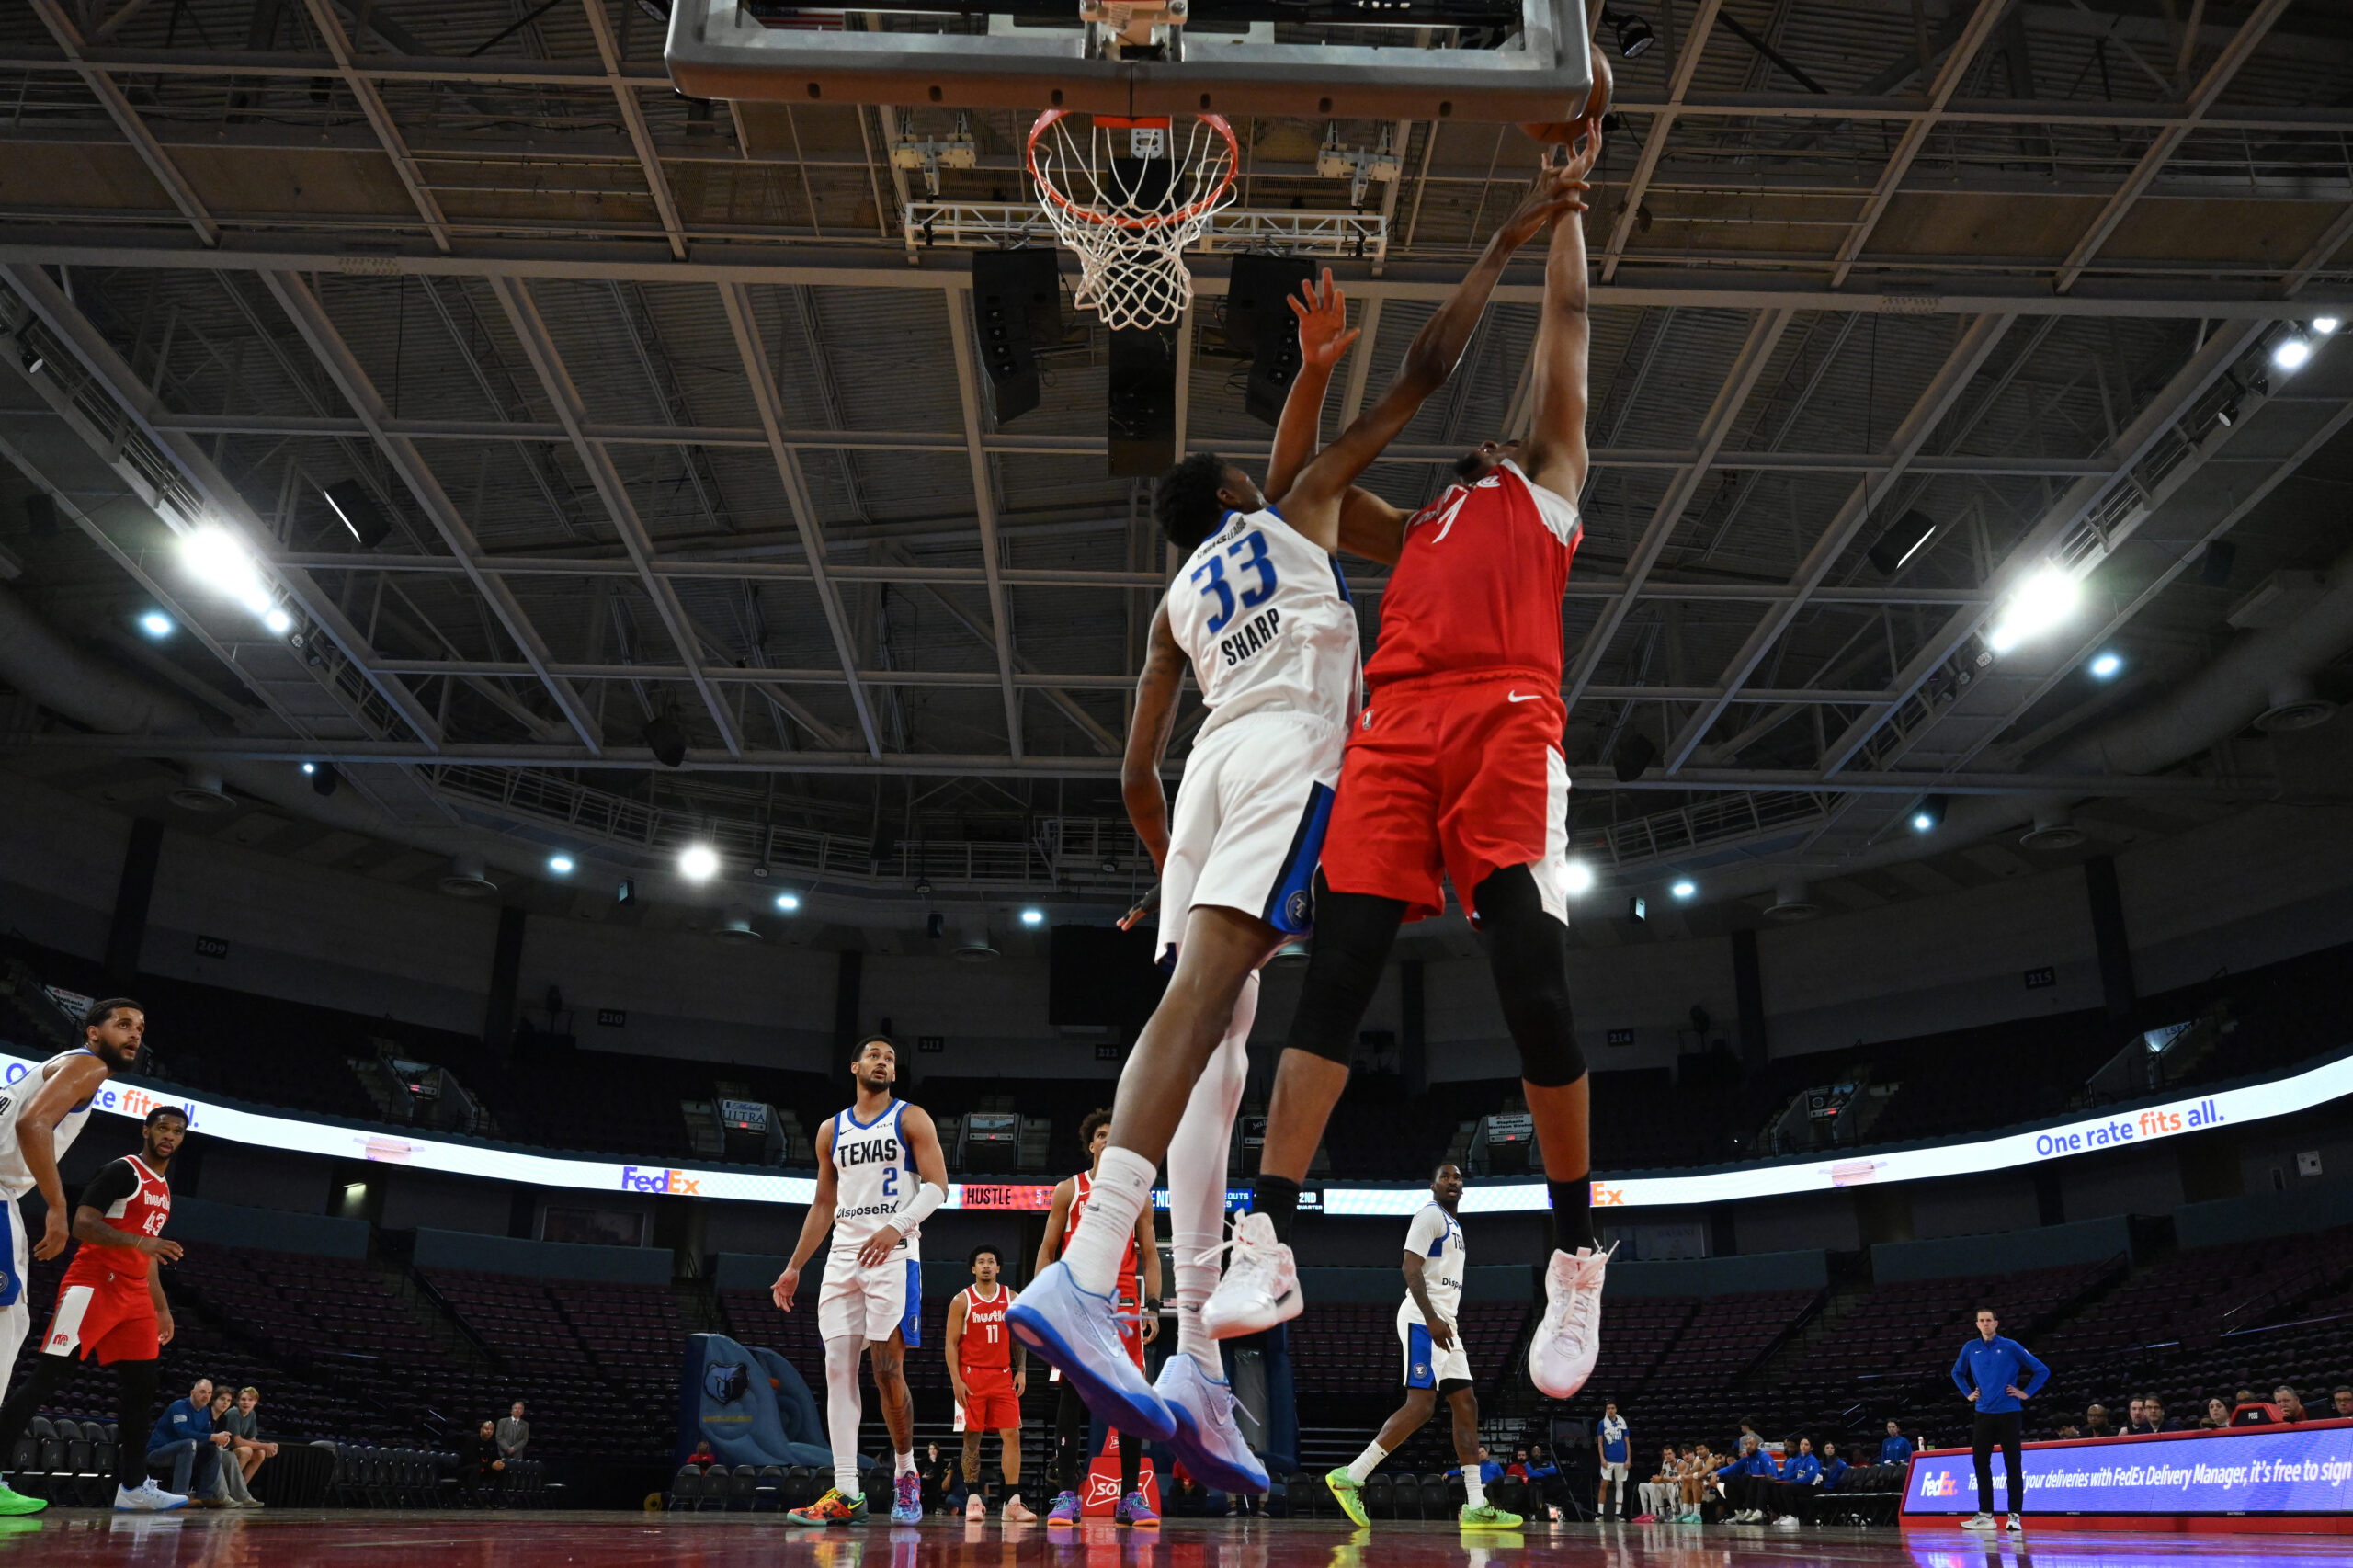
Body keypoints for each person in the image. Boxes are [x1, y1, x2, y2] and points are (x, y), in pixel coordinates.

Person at [1018, 151, 1605, 1477]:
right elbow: (1397, 402)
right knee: (1254, 1004)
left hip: (1254, 765)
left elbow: (1132, 772)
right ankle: (1169, 1285)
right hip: (1320, 748)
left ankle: (1194, 1342)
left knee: (1222, 1024)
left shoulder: (1188, 593)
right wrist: (1361, 352)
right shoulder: (1329, 520)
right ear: (1238, 495)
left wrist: (1171, 868)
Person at [1210, 119, 1615, 1410]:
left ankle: (1572, 1250)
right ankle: (1267, 1233)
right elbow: (1300, 487)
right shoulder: (1423, 522)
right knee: (1335, 970)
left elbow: (1569, 329)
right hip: (1394, 729)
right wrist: (1314, 376)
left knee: (1530, 971)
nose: (1483, 440)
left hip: (1506, 717)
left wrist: (1563, 213)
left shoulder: (1547, 484)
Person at [775, 1035, 950, 1527]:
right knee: (837, 1369)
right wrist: (794, 1266)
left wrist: (897, 1225)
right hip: (843, 1257)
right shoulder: (830, 1130)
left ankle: (906, 1471)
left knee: (886, 1371)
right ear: (854, 1066)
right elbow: (823, 1204)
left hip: (894, 1253)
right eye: (874, 1055)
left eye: (890, 1058)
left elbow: (938, 1186)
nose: (883, 1061)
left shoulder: (911, 1118)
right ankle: (847, 1491)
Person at [0, 1104, 190, 1512]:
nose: (169, 1136)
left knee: (142, 1388)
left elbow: (149, 1253)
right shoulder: (122, 1171)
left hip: (135, 1295)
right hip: (93, 1285)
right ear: (146, 1130)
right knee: (47, 1378)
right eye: (163, 1128)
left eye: (177, 1131)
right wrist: (140, 1242)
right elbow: (83, 1225)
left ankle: (133, 1487)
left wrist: (161, 1307)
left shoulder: (163, 1187)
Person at [0, 998, 144, 1517]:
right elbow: (32, 1124)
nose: (134, 1034)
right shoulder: (88, 1066)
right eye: (122, 1024)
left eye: (140, 1028)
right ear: (93, 1032)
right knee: (5, 1330)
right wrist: (58, 1207)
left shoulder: (53, 1067)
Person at [1323, 1164, 1518, 1528]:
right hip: (1423, 1318)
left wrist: (1441, 1320)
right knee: (1421, 1405)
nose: (1453, 1182)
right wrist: (1430, 1318)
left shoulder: (1455, 1225)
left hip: (1446, 1323)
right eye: (1446, 1177)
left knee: (1467, 1404)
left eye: (1458, 1177)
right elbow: (1410, 1268)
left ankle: (1476, 1505)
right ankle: (1350, 1476)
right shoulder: (1430, 1215)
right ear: (1433, 1186)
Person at [1033, 1109, 1163, 1529]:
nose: (1109, 1140)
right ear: (1092, 1144)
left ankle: (1129, 1497)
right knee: (1071, 1396)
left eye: (1116, 1136)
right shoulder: (1069, 1189)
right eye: (1102, 1135)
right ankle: (1068, 1494)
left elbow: (1151, 1255)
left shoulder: (1138, 1194)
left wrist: (1153, 1306)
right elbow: (1047, 1249)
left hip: (1122, 1307)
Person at [945, 1243, 1032, 1522]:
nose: (985, 1265)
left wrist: (1021, 1370)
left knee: (1012, 1435)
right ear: (973, 1268)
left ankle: (1012, 1503)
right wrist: (956, 1380)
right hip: (972, 1376)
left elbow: (1019, 1337)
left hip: (1003, 1375)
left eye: (990, 1261)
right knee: (972, 1437)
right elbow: (950, 1343)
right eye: (980, 1261)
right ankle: (972, 1499)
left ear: (998, 1268)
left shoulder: (1012, 1297)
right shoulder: (962, 1300)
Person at [1952, 1305, 2048, 1532]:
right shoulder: (1970, 1347)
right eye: (1981, 1320)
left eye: (1989, 1320)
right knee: (1980, 1463)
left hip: (2008, 1412)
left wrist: (2026, 1393)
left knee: (2012, 1464)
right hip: (1983, 1413)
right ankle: (1986, 1515)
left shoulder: (2010, 1346)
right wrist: (1968, 1393)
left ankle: (2014, 1516)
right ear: (1977, 1324)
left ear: (1996, 1323)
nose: (1985, 1324)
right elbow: (1957, 1372)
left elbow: (2042, 1370)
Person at [149, 1378, 230, 1508]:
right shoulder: (179, 1406)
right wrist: (213, 1436)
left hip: (185, 1452)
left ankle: (206, 1496)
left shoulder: (205, 1411)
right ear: (192, 1392)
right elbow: (183, 1432)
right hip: (158, 1452)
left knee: (213, 1448)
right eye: (202, 1392)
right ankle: (180, 1496)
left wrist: (220, 1439)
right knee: (189, 1443)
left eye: (209, 1393)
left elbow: (208, 1433)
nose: (206, 1396)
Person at [222, 1386, 276, 1506]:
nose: (246, 1402)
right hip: (223, 1450)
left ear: (255, 1401)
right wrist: (265, 1445)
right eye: (243, 1399)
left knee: (260, 1453)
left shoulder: (251, 1414)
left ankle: (241, 1493)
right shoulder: (234, 1413)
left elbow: (251, 1438)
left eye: (250, 1400)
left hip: (233, 1450)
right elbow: (238, 1442)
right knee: (246, 1451)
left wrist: (267, 1448)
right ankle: (228, 1492)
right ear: (238, 1401)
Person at [1715, 1434, 1778, 1522]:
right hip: (1751, 1489)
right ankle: (1740, 1512)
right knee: (1725, 1479)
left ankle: (1756, 1511)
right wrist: (1716, 1474)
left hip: (1765, 1487)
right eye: (1747, 1444)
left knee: (1749, 1477)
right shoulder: (1747, 1459)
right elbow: (1730, 1468)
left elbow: (1772, 1476)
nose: (1748, 1446)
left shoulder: (1764, 1457)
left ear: (1757, 1445)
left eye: (1751, 1444)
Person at [1596, 1399, 1630, 1519]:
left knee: (1620, 1485)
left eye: (1612, 1408)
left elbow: (1627, 1442)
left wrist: (1628, 1459)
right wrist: (1602, 1458)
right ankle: (1600, 1513)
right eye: (1608, 1408)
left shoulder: (1623, 1423)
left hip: (1621, 1459)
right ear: (1606, 1410)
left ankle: (1618, 1514)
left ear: (1616, 1410)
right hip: (1608, 1459)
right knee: (1603, 1485)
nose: (1610, 1410)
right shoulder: (1602, 1424)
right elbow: (1600, 1443)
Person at [460, 1419, 506, 1503]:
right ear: (481, 1429)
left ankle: (493, 1501)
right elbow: (471, 1459)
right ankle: (470, 1500)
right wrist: (490, 1465)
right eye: (486, 1429)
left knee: (504, 1471)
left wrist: (499, 1463)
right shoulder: (472, 1440)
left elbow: (496, 1457)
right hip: (466, 1470)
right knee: (476, 1468)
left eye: (491, 1430)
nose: (489, 1431)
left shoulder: (493, 1443)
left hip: (484, 1470)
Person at [1636, 1447, 1677, 1522]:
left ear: (1674, 1454)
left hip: (1674, 1489)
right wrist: (1656, 1478)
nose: (1667, 1456)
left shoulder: (1679, 1463)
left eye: (1669, 1454)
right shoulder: (1665, 1463)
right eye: (1665, 1454)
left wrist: (1660, 1479)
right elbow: (1661, 1477)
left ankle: (1654, 1513)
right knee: (1642, 1486)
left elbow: (1676, 1480)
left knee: (1654, 1486)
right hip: (1665, 1487)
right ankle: (1645, 1513)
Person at [496, 1400, 530, 1464]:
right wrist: (507, 1448)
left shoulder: (526, 1424)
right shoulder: (502, 1422)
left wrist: (514, 1448)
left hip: (517, 1456)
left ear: (522, 1412)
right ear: (511, 1411)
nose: (517, 1410)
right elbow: (499, 1437)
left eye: (520, 1408)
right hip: (503, 1454)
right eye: (515, 1408)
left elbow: (524, 1440)